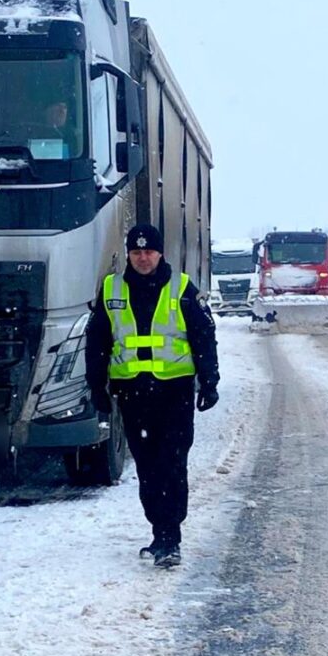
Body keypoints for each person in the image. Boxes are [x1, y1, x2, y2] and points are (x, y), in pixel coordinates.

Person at [86, 223, 220, 567]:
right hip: (132, 392)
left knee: (172, 462)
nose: (142, 258)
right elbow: (97, 343)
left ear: (160, 253)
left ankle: (169, 536)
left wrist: (209, 382)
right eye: (136, 252)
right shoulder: (110, 289)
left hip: (174, 391)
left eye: (149, 251)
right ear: (129, 254)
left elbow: (203, 338)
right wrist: (95, 386)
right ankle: (159, 528)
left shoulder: (182, 288)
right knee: (147, 466)